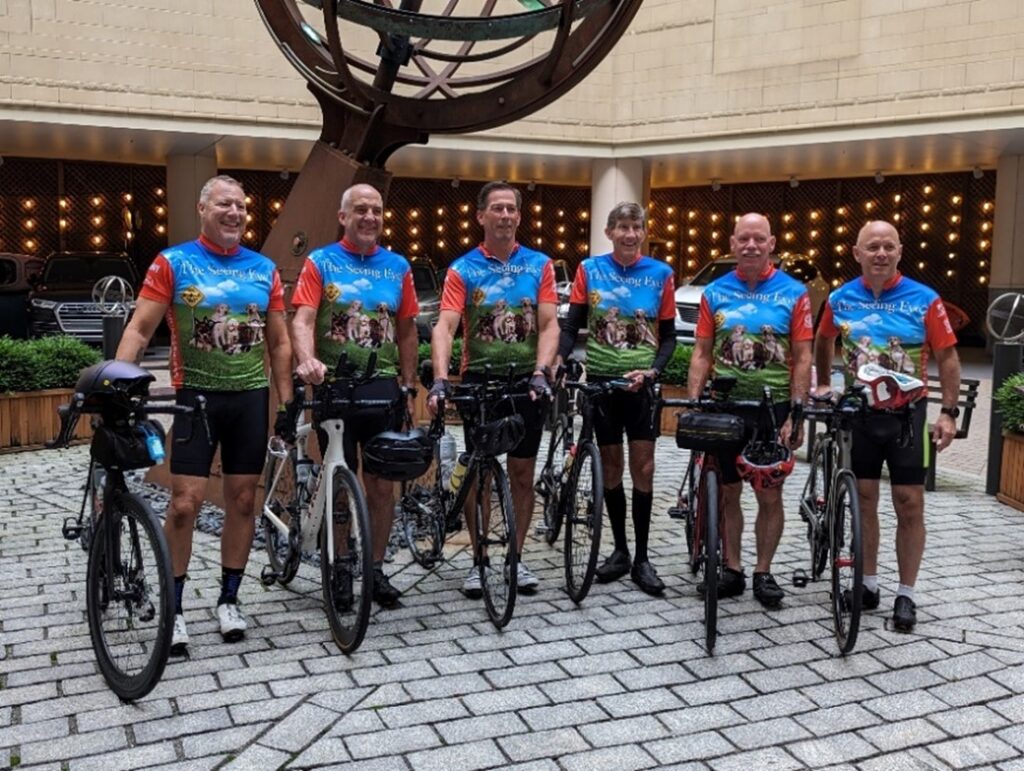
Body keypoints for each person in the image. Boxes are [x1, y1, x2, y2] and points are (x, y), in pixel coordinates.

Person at [116, 174, 293, 650]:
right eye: (223, 205)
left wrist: (287, 402)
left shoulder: (264, 269)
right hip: (195, 396)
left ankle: (229, 599)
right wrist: (118, 381)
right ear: (202, 209)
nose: (234, 213)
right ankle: (174, 607)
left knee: (241, 501)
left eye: (240, 205)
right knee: (184, 504)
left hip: (250, 398)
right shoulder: (173, 263)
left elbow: (279, 341)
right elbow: (139, 329)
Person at [814, 220, 961, 632]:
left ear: (899, 251)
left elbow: (948, 357)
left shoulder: (924, 299)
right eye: (872, 247)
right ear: (857, 253)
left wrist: (948, 411)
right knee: (863, 500)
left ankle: (906, 594)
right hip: (860, 414)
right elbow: (824, 341)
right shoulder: (841, 298)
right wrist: (825, 383)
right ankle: (869, 584)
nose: (880, 253)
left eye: (888, 247)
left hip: (907, 415)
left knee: (909, 502)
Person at [290, 183, 420, 608]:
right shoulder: (321, 262)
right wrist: (307, 361)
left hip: (382, 389)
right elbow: (304, 319)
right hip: (337, 387)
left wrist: (408, 384)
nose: (370, 217)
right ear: (343, 216)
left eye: (377, 210)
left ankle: (376, 569)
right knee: (340, 485)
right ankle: (341, 566)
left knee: (382, 487)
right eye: (360, 210)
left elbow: (405, 330)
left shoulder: (397, 265)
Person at [428, 181, 559, 597]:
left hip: (526, 382)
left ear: (519, 217)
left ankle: (516, 559)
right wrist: (441, 379)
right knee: (481, 474)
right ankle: (479, 559)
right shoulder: (462, 269)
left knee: (522, 473)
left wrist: (541, 370)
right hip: (480, 381)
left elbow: (548, 324)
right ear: (481, 215)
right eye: (496, 209)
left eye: (511, 209)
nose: (504, 215)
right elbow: (446, 326)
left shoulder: (540, 265)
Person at [686, 212, 812, 608]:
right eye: (744, 239)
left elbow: (804, 356)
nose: (752, 245)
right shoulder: (715, 292)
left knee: (769, 496)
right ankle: (733, 568)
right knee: (727, 492)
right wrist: (693, 402)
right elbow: (702, 354)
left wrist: (798, 411)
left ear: (772, 243)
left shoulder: (794, 292)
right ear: (733, 243)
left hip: (771, 410)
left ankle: (763, 571)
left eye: (760, 238)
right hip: (726, 407)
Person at [556, 202, 676, 595]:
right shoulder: (589, 270)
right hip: (603, 386)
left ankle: (642, 557)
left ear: (643, 233)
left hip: (642, 387)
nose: (629, 233)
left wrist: (654, 372)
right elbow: (572, 323)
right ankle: (620, 550)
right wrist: (560, 360)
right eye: (622, 226)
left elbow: (670, 335)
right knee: (611, 468)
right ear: (609, 232)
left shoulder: (662, 274)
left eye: (636, 227)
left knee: (644, 469)